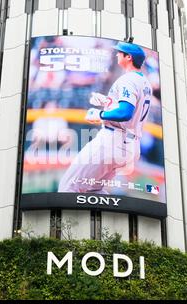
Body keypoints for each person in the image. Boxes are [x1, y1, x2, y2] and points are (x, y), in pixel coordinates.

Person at [58, 42, 152, 194]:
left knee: (68, 186)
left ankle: (68, 219)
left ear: (129, 57)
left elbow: (125, 112)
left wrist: (100, 114)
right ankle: (104, 218)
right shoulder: (144, 82)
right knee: (93, 189)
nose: (116, 54)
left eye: (120, 52)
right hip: (130, 147)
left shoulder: (128, 80)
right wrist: (107, 101)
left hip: (112, 142)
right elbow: (131, 109)